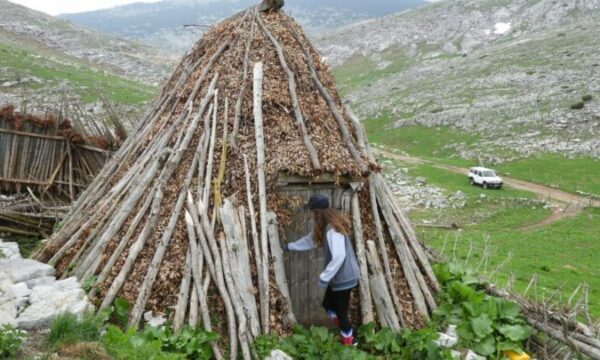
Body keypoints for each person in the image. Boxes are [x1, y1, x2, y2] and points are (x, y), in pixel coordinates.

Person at [283, 194, 360, 346]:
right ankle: (349, 336)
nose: (311, 215)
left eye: (312, 212)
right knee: (329, 306)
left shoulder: (332, 229)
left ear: (318, 212)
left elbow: (339, 256)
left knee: (340, 311)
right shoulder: (326, 226)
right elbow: (309, 241)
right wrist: (289, 247)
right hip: (343, 276)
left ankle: (350, 343)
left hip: (344, 277)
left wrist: (324, 277)